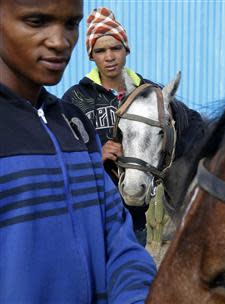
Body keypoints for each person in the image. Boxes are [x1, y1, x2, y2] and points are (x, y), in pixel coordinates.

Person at [0, 0, 156, 303]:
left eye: (71, 24)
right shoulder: (80, 99)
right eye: (36, 21)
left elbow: (117, 240)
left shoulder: (74, 124)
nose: (60, 42)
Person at [62, 7, 155, 245]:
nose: (109, 56)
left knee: (129, 276)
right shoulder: (75, 99)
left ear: (127, 49)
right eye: (100, 50)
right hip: (89, 214)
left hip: (134, 215)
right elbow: (60, 156)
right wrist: (96, 155)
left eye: (116, 48)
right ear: (92, 56)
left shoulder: (147, 93)